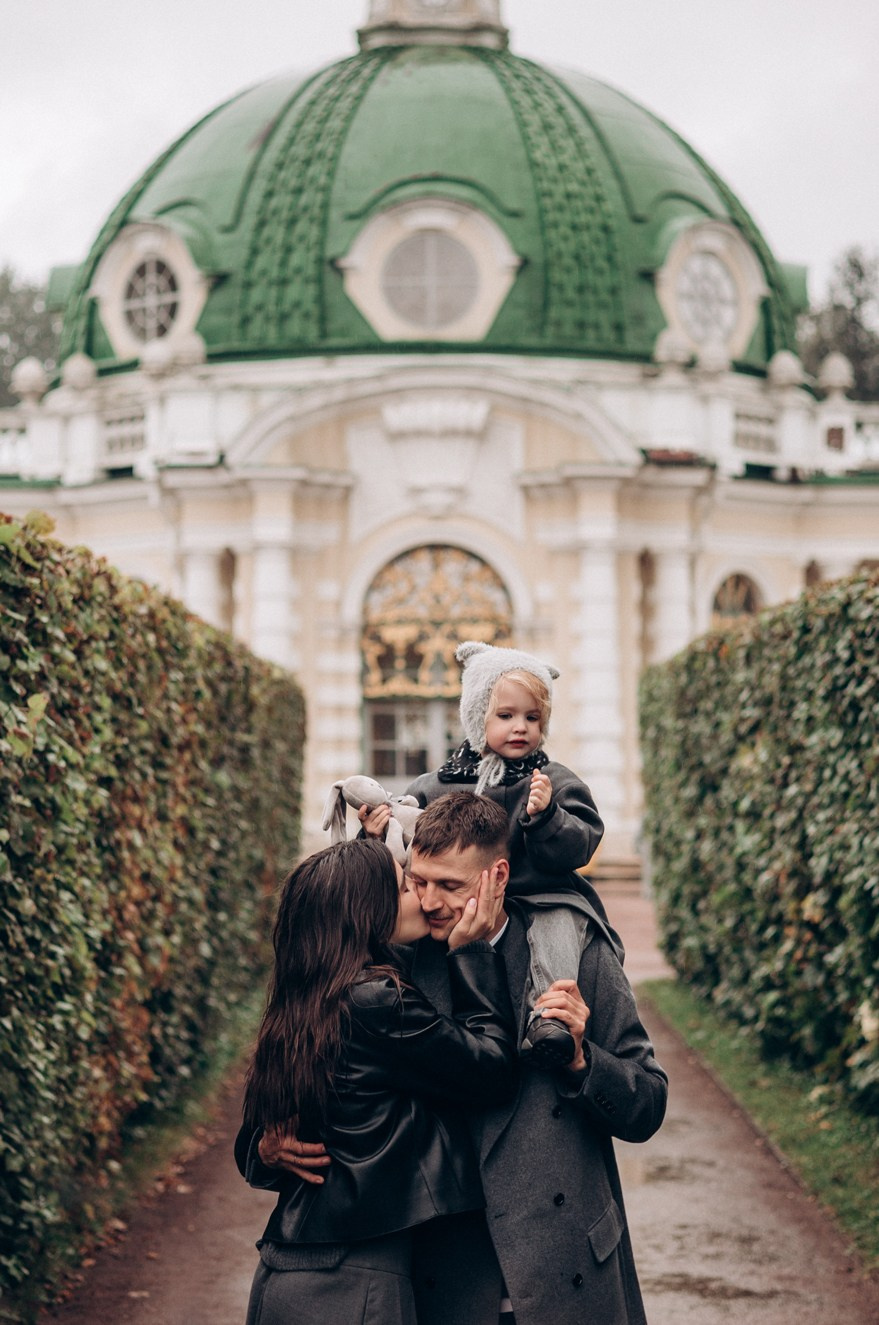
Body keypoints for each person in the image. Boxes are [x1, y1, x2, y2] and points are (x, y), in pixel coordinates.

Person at [294, 792, 668, 1325]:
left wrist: (584, 1061)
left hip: (569, 1265)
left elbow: (648, 1105)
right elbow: (311, 1070)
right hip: (443, 1274)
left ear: (498, 875)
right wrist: (266, 1142)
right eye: (418, 881)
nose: (428, 902)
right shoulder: (394, 963)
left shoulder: (578, 952)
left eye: (450, 886)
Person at [234, 836, 519, 1325]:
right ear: (368, 911)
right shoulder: (375, 1000)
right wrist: (471, 952)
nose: (424, 899)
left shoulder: (300, 1004)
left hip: (286, 1275)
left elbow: (252, 1146)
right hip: (351, 1283)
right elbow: (491, 1071)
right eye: (406, 887)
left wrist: (263, 1151)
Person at [361, 639, 619, 1067]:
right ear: (476, 717)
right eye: (506, 715)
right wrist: (378, 833)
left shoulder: (552, 780)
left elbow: (584, 840)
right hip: (457, 901)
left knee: (560, 930)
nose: (520, 727)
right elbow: (409, 843)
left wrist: (547, 816)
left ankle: (548, 1018)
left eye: (532, 718)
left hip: (541, 896)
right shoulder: (436, 782)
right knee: (406, 930)